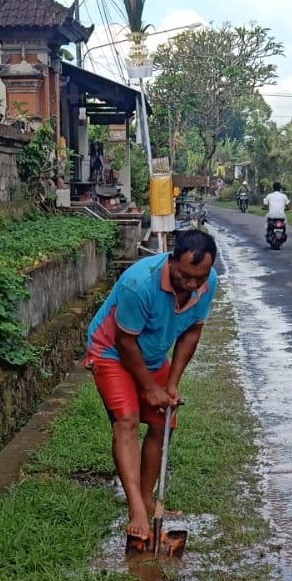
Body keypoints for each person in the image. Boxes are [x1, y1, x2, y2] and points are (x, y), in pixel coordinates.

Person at [86, 228, 218, 540]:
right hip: (112, 352)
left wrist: (171, 384)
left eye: (199, 278)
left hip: (155, 356)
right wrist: (148, 387)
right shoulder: (139, 283)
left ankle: (146, 500)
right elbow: (125, 341)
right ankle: (137, 511)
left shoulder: (207, 283)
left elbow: (192, 332)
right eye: (185, 276)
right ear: (171, 261)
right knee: (127, 421)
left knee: (163, 423)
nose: (192, 285)